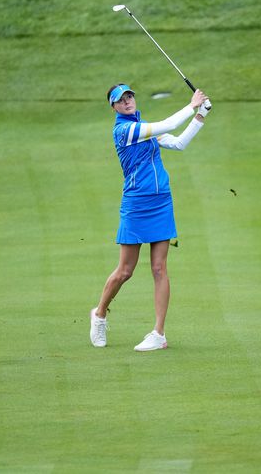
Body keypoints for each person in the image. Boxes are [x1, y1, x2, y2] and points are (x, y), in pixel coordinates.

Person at [90, 83, 211, 351]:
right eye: (121, 100)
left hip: (161, 202)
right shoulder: (125, 130)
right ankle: (99, 314)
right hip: (135, 203)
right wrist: (192, 105)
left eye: (129, 96)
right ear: (113, 107)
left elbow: (178, 143)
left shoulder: (143, 127)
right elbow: (168, 124)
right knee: (125, 271)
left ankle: (159, 334)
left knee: (159, 268)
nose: (127, 101)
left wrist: (200, 117)